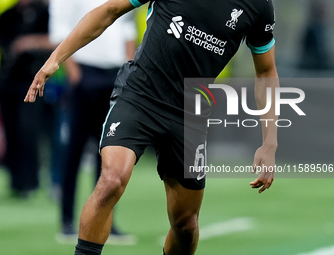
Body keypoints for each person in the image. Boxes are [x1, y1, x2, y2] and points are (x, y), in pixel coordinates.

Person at [25, 0, 278, 254]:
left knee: (186, 224)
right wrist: (56, 58)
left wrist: (270, 143)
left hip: (190, 114)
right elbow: (109, 11)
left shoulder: (258, 7)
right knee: (112, 180)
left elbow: (266, 72)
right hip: (140, 95)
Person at [47, 0, 137, 244]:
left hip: (115, 75)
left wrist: (129, 71)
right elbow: (59, 34)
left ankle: (106, 222)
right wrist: (76, 77)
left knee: (110, 151)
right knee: (73, 151)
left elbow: (127, 29)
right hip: (84, 74)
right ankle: (66, 222)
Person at [0, 0, 54, 197]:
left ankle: (31, 181)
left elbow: (55, 41)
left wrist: (28, 43)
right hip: (8, 81)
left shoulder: (45, 13)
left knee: (28, 131)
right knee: (11, 131)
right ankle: (16, 182)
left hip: (33, 81)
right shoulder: (8, 15)